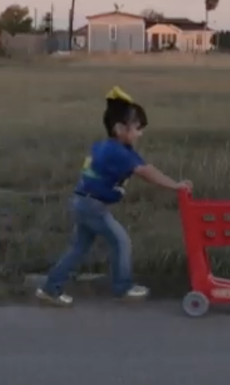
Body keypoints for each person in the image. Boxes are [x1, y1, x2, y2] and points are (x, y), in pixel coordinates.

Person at [36, 87, 191, 307]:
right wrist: (176, 186)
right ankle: (122, 288)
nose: (140, 134)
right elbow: (147, 172)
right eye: (137, 129)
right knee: (121, 242)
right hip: (93, 205)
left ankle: (50, 289)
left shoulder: (109, 147)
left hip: (83, 201)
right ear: (120, 129)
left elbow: (144, 166)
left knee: (78, 248)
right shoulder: (118, 152)